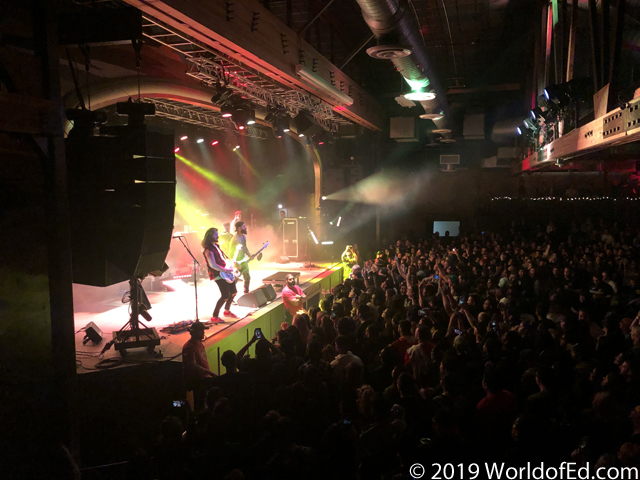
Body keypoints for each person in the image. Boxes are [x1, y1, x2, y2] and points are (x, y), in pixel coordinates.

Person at [202, 227, 237, 322]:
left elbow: (222, 259)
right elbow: (212, 264)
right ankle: (214, 316)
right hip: (217, 274)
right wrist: (225, 270)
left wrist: (229, 266)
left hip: (225, 272)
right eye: (215, 234)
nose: (217, 236)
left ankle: (227, 311)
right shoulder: (208, 249)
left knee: (233, 292)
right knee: (225, 295)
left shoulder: (216, 246)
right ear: (210, 236)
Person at [182, 321, 217, 411]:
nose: (203, 332)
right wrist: (209, 373)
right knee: (199, 402)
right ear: (195, 332)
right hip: (197, 380)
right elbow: (192, 365)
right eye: (201, 331)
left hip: (203, 378)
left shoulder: (199, 343)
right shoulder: (189, 347)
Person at [231, 221, 253, 294]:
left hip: (243, 261)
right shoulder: (235, 239)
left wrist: (249, 255)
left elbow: (245, 247)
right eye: (244, 227)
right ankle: (230, 295)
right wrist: (236, 264)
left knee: (247, 277)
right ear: (239, 228)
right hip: (237, 261)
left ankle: (246, 293)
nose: (245, 228)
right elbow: (231, 253)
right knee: (235, 279)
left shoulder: (243, 236)